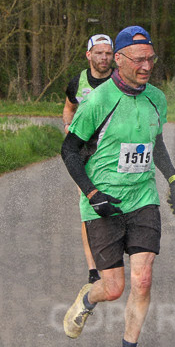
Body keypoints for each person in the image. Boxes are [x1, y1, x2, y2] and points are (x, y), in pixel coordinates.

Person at [60, 25, 175, 347]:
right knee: (113, 288)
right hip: (103, 200)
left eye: (151, 58)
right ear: (118, 60)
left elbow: (154, 142)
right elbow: (69, 151)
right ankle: (88, 299)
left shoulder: (157, 99)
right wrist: (92, 193)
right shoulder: (98, 101)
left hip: (143, 197)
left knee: (143, 278)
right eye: (139, 60)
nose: (147, 66)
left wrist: (174, 179)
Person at [63, 34, 115, 286]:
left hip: (114, 156)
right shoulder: (77, 83)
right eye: (99, 52)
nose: (104, 57)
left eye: (108, 53)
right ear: (88, 55)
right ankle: (93, 267)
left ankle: (115, 256)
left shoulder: (120, 81)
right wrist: (67, 126)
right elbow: (69, 108)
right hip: (85, 155)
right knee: (90, 206)